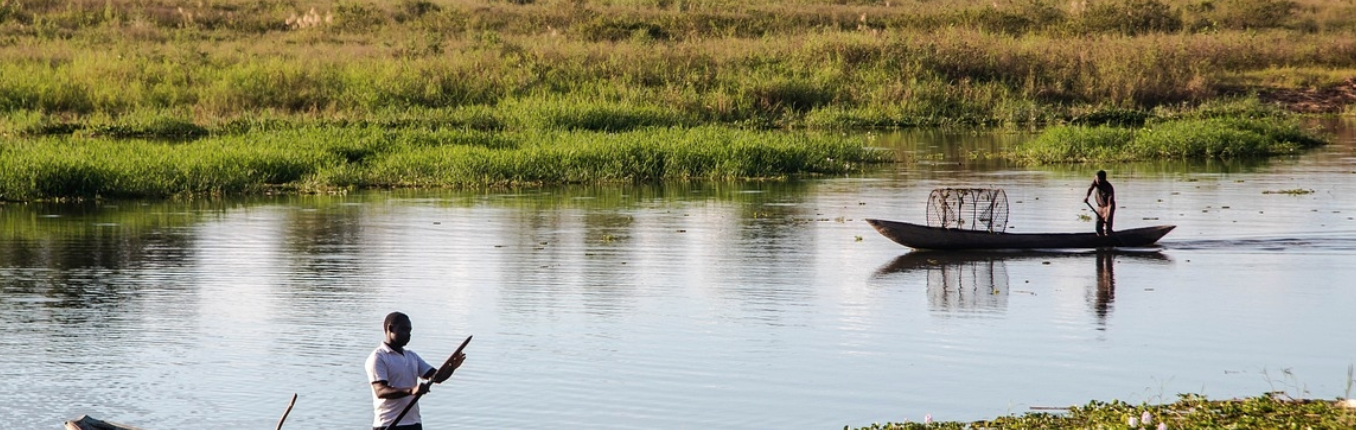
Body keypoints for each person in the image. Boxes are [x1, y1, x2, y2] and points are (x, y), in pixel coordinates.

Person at [366, 312, 466, 430]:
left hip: (413, 423)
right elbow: (381, 391)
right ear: (391, 328)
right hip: (388, 424)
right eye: (404, 330)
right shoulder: (379, 357)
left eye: (410, 331)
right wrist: (412, 390)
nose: (408, 334)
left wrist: (451, 367)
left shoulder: (411, 356)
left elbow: (436, 377)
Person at [1083, 170, 1116, 236]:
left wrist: (1107, 215)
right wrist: (1087, 197)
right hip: (1100, 207)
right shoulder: (1096, 181)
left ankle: (1108, 239)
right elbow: (1090, 188)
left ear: (1103, 179)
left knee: (1107, 228)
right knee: (1098, 227)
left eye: (1099, 180)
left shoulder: (1109, 187)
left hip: (1108, 207)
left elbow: (1110, 203)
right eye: (1097, 179)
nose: (1097, 181)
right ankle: (1100, 238)